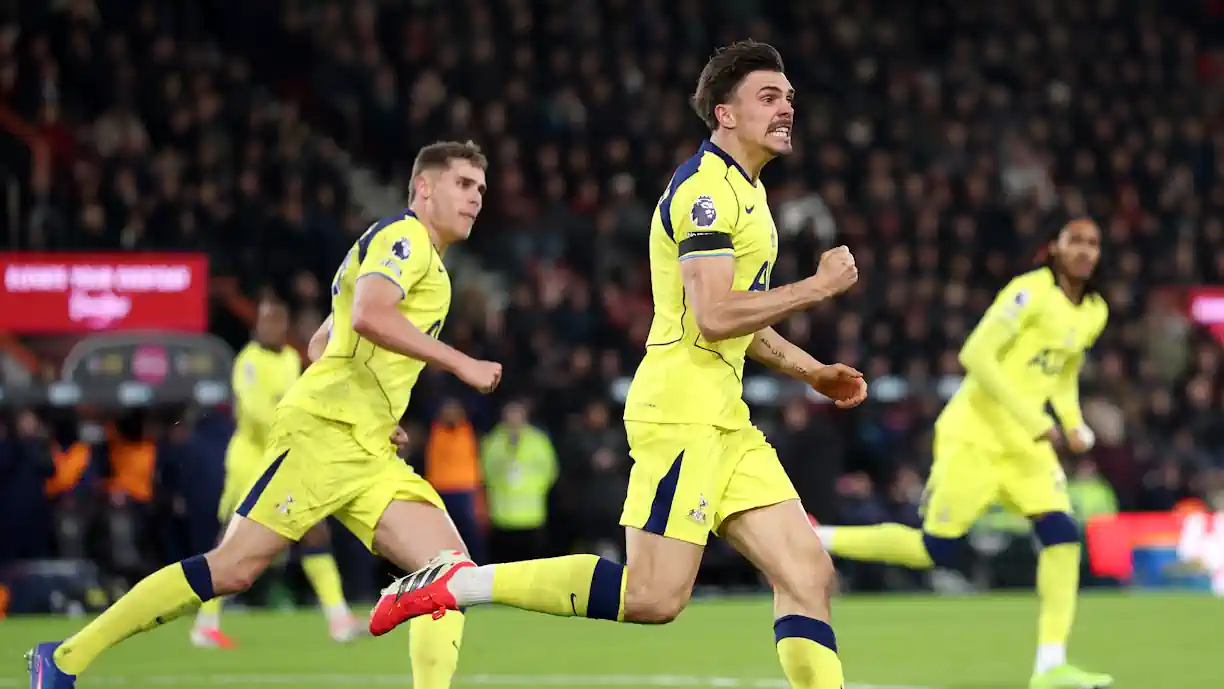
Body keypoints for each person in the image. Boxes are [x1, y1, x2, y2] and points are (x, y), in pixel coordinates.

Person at [368, 40, 867, 689]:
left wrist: (813, 371)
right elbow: (715, 314)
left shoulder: (750, 195)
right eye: (769, 97)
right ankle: (460, 581)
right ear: (725, 113)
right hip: (682, 413)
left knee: (806, 572)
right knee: (655, 596)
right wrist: (818, 287)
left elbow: (740, 326)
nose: (786, 110)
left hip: (725, 419)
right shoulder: (705, 192)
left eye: (790, 99)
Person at [27, 140, 502, 689]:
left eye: (481, 189)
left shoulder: (419, 260)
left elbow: (325, 340)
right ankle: (62, 658)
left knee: (448, 573)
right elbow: (370, 315)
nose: (476, 199)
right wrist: (460, 362)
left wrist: (377, 407)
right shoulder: (405, 239)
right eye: (464, 185)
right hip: (322, 436)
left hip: (365, 445)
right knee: (232, 567)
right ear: (424, 187)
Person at [817, 217, 1113, 689]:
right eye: (1074, 240)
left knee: (1061, 535)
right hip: (974, 437)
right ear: (1054, 247)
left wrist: (1073, 422)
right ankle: (820, 539)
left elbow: (1062, 372)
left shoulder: (1094, 310)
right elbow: (975, 354)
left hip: (1025, 450)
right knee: (935, 549)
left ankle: (1050, 664)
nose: (1084, 250)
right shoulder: (1029, 292)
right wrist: (1037, 420)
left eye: (1093, 243)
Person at [190, 296, 365, 649]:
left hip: (283, 457)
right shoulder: (247, 362)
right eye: (267, 321)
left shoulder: (289, 359)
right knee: (232, 543)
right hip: (251, 463)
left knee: (314, 532)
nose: (272, 328)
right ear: (257, 325)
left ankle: (338, 617)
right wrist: (299, 427)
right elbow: (255, 414)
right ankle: (205, 622)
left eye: (278, 321)